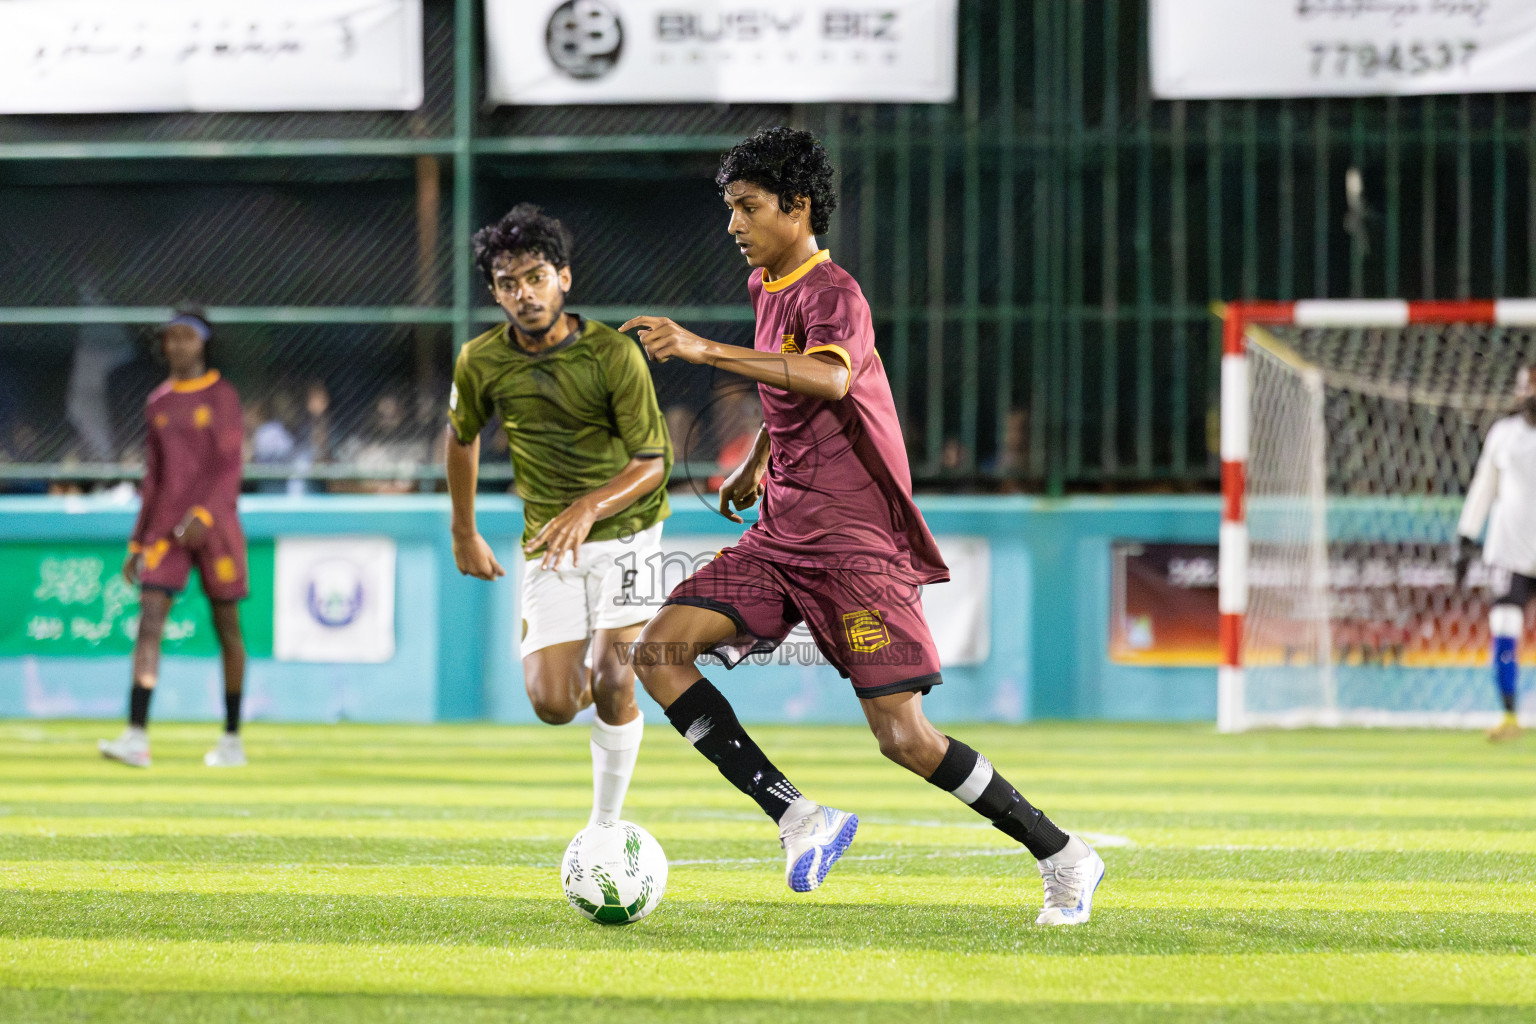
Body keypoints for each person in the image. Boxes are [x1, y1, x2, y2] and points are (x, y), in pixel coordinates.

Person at [618, 127, 1104, 925]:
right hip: (782, 536)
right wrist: (757, 459)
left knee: (905, 738)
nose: (732, 224)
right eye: (728, 208)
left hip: (853, 546)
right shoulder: (766, 286)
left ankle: (1062, 853)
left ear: (797, 205)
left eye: (747, 207)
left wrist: (704, 352)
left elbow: (832, 377)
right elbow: (794, 392)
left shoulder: (832, 290)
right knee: (661, 651)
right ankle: (798, 817)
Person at [446, 203, 672, 827]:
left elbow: (652, 462)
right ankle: (600, 687)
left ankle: (606, 828)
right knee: (550, 703)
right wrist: (463, 531)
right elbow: (460, 435)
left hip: (627, 532)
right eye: (508, 284)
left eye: (536, 277)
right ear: (494, 293)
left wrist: (587, 507)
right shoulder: (481, 360)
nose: (525, 294)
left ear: (564, 279)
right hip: (550, 542)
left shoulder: (612, 355)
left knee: (614, 677)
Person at [99, 312, 249, 768]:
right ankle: (136, 735)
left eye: (188, 337)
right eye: (172, 338)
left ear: (203, 343)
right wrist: (136, 541)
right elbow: (154, 476)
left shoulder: (222, 397)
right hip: (166, 532)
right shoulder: (158, 402)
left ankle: (231, 738)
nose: (179, 345)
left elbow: (229, 467)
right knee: (149, 623)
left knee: (227, 628)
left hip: (215, 528)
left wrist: (205, 514)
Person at [1456, 365, 1536, 742]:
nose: (1529, 395)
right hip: (1508, 551)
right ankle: (1508, 716)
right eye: (1525, 388)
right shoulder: (1503, 434)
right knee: (1505, 626)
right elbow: (1484, 484)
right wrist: (1466, 535)